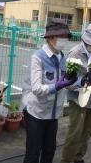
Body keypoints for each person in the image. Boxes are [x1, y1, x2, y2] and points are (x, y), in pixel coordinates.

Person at [22, 19, 77, 163]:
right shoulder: (38, 57)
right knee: (33, 153)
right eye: (62, 36)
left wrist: (79, 82)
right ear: (51, 37)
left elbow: (65, 82)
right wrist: (56, 86)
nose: (64, 40)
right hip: (36, 112)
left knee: (49, 149)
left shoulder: (62, 57)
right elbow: (36, 88)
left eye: (66, 36)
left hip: (53, 114)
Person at [61, 23, 91, 163]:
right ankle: (66, 160)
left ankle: (78, 156)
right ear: (86, 41)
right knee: (75, 131)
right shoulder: (75, 53)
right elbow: (67, 82)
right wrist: (83, 81)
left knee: (89, 128)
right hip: (77, 98)